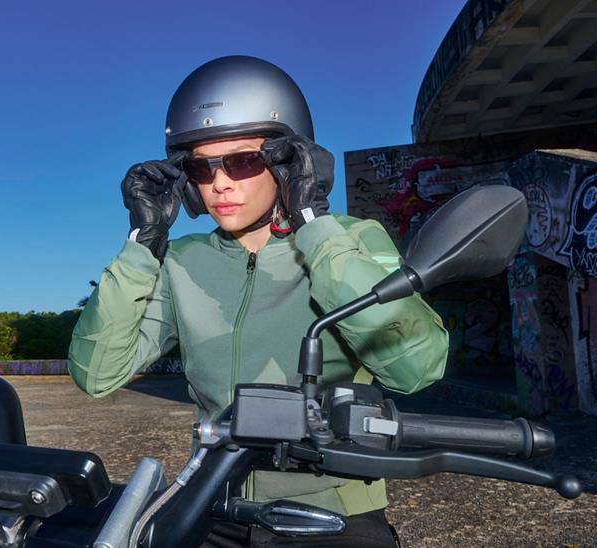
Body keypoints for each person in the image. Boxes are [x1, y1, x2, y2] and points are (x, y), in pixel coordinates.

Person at [68, 55, 449, 547]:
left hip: (329, 508)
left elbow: (417, 367)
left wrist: (314, 225)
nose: (219, 182)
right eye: (200, 167)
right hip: (211, 500)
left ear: (291, 162)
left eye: (243, 161)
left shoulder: (349, 241)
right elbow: (97, 373)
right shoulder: (179, 262)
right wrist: (143, 242)